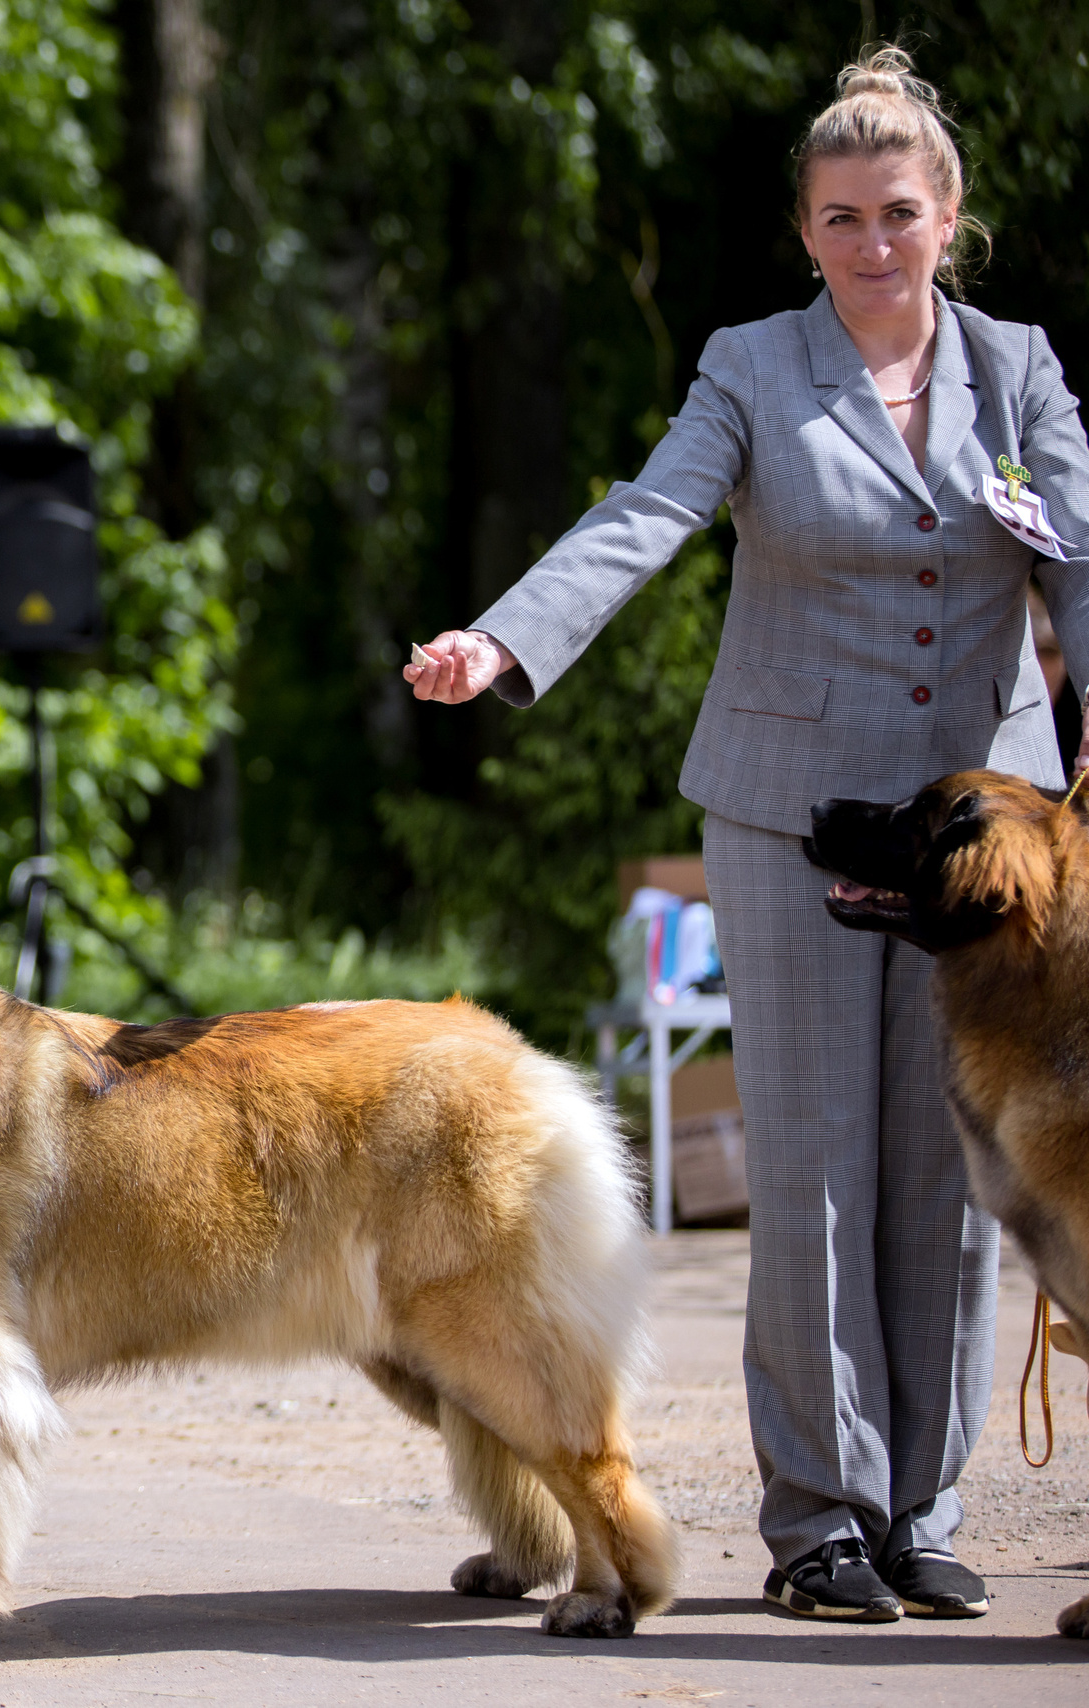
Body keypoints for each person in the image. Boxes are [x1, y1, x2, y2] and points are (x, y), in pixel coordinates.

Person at [404, 47, 1089, 1623]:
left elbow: (1079, 559)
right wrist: (506, 642)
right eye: (841, 218)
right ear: (804, 230)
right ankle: (820, 1519)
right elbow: (646, 513)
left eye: (898, 214)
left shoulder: (1022, 368)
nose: (871, 245)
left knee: (954, 1170)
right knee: (812, 1161)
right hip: (796, 805)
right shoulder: (755, 367)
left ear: (949, 214)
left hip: (987, 835)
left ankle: (925, 1505)